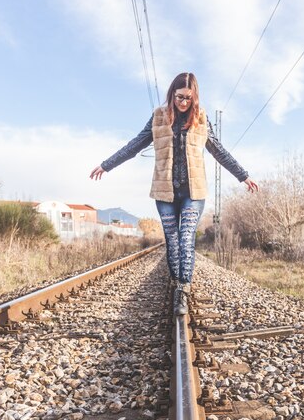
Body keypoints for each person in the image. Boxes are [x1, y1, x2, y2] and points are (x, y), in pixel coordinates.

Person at [90, 72, 258, 315]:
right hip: (165, 191)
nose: (183, 102)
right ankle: (175, 279)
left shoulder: (200, 118)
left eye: (188, 98)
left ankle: (182, 289)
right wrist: (106, 164)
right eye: (179, 97)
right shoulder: (159, 117)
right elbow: (134, 145)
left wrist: (244, 175)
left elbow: (218, 150)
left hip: (194, 191)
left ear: (194, 97)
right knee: (172, 239)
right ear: (172, 94)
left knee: (186, 236)